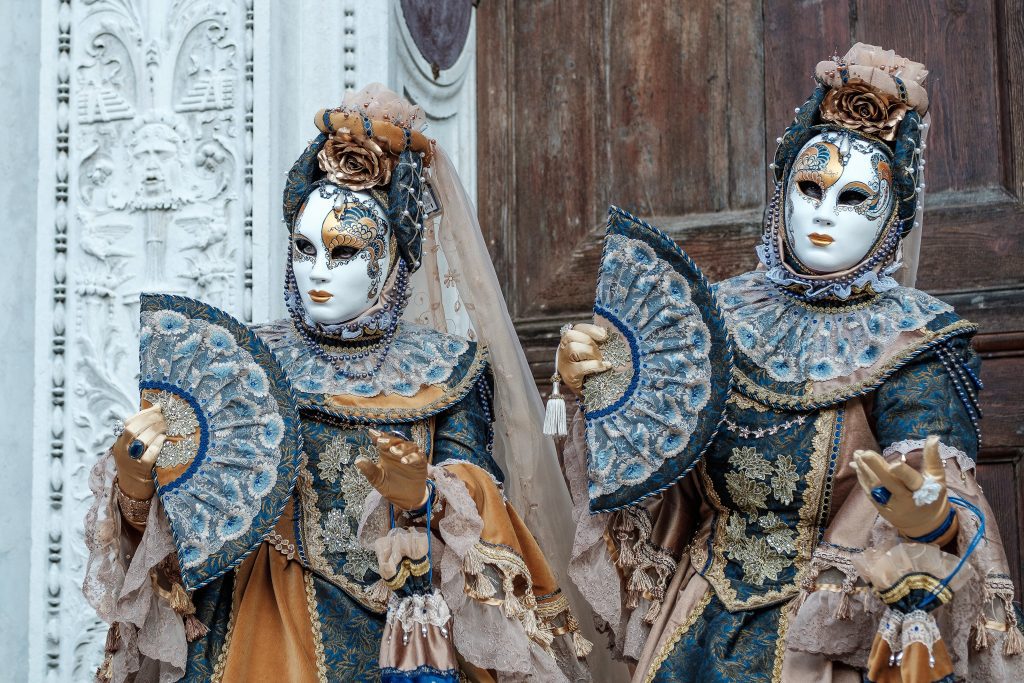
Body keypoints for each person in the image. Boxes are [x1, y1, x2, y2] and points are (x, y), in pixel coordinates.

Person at [84, 84, 590, 682]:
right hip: (257, 626)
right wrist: (138, 489)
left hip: (400, 632)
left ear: (395, 258)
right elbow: (192, 537)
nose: (316, 272)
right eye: (304, 247)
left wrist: (424, 495)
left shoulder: (451, 370)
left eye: (344, 251)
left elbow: (482, 500)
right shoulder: (241, 366)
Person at [556, 44, 1024, 681]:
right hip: (697, 616)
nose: (825, 211)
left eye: (856, 197)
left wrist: (930, 518)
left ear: (893, 219)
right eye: (810, 187)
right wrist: (600, 392)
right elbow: (654, 475)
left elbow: (938, 484)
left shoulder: (918, 339)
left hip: (828, 628)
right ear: (782, 199)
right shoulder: (711, 316)